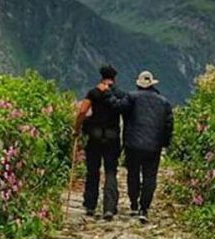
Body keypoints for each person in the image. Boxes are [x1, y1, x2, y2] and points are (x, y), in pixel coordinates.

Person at [74, 64, 126, 220]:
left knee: (93, 171)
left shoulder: (93, 92)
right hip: (112, 137)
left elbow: (82, 110)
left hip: (95, 136)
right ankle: (109, 208)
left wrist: (77, 128)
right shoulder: (118, 93)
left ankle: (90, 205)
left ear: (101, 76)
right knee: (111, 171)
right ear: (114, 78)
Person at [122, 70, 173, 224]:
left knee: (133, 174)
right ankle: (144, 208)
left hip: (133, 144)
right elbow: (169, 125)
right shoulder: (164, 102)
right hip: (154, 146)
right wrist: (164, 142)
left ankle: (133, 204)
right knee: (150, 176)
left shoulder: (131, 97)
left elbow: (121, 110)